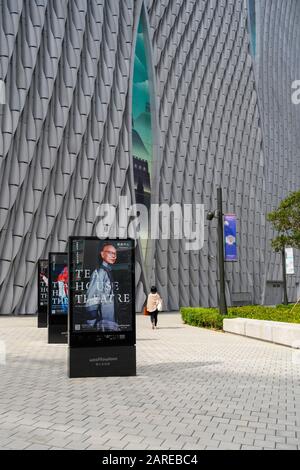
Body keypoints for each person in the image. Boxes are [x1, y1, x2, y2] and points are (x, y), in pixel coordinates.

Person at [85, 243, 120, 331]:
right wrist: (92, 322)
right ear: (102, 254)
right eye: (110, 253)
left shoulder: (108, 271)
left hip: (110, 320)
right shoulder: (100, 273)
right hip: (104, 322)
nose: (113, 256)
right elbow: (92, 297)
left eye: (115, 253)